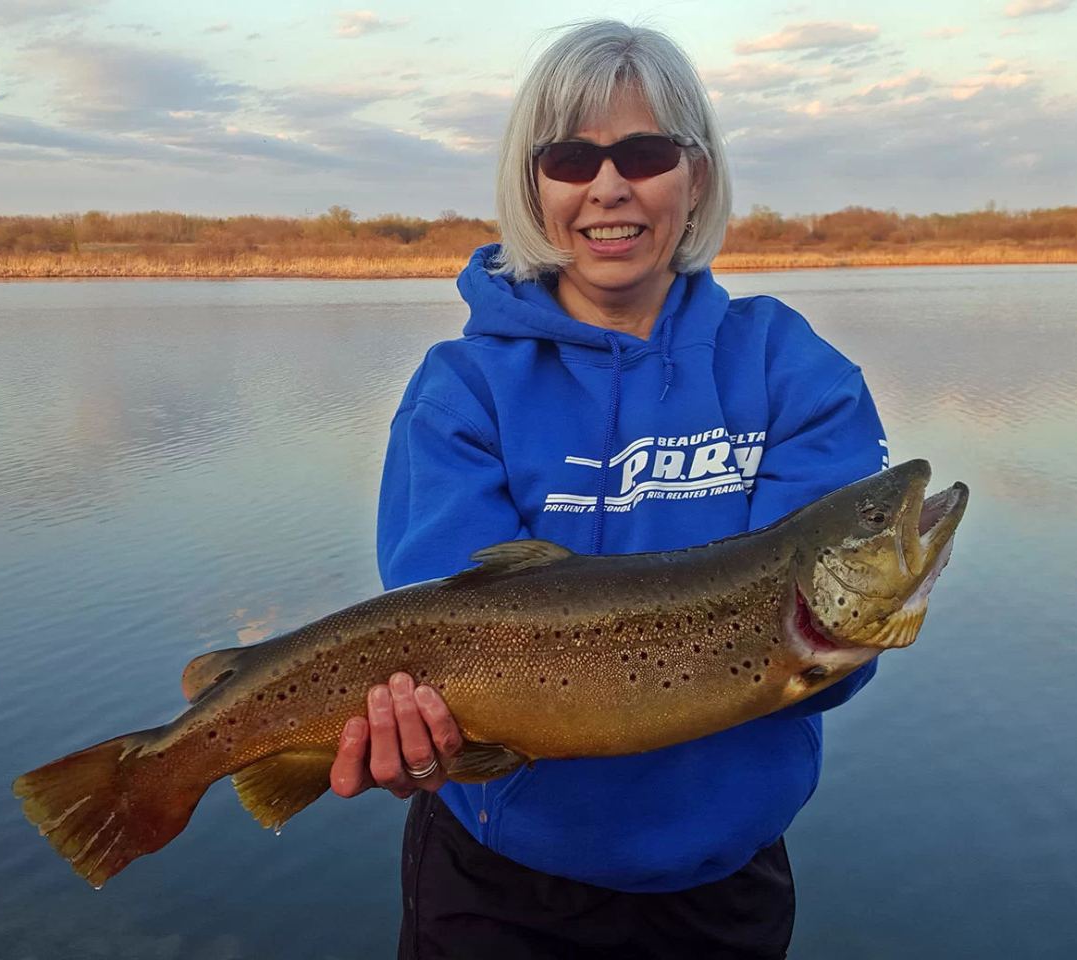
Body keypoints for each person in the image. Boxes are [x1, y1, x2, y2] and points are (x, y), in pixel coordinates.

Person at [329, 19, 888, 960]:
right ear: (532, 184)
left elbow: (830, 648)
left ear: (695, 177)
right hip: (494, 886)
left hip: (722, 886)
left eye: (644, 152)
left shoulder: (791, 367)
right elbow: (436, 624)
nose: (608, 185)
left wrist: (849, 624)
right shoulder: (460, 390)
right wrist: (419, 736)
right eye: (571, 158)